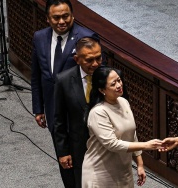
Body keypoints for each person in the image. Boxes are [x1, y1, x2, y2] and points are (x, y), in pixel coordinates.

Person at [31, 0, 97, 186]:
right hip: (55, 114)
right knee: (65, 163)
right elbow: (37, 76)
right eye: (56, 17)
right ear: (48, 19)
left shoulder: (86, 37)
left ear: (73, 16)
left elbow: (97, 75)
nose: (62, 21)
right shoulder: (39, 37)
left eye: (65, 16)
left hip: (81, 116)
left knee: (85, 168)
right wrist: (38, 108)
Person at [81, 66, 162, 188]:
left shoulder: (123, 102)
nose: (119, 85)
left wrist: (140, 164)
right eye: (113, 84)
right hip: (100, 173)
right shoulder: (98, 112)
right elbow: (112, 144)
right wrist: (146, 145)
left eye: (119, 80)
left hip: (123, 172)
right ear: (102, 89)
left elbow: (131, 135)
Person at [53, 36, 102, 187]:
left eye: (99, 58)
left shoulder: (112, 77)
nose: (95, 64)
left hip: (106, 147)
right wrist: (63, 151)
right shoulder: (64, 80)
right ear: (77, 59)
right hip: (78, 148)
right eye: (89, 60)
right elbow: (58, 120)